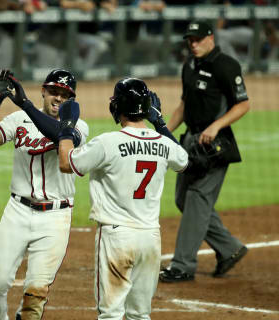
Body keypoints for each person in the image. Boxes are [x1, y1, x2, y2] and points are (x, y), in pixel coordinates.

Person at [54, 78, 188, 319]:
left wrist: (65, 127)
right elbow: (183, 159)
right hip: (150, 237)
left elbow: (66, 162)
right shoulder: (164, 144)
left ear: (118, 107)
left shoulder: (107, 142)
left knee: (111, 314)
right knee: (140, 314)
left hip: (117, 238)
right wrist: (160, 124)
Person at [0, 69, 89, 320]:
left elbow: (60, 134)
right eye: (54, 91)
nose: (58, 98)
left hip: (55, 217)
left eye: (65, 94)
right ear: (44, 90)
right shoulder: (19, 120)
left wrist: (27, 104)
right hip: (17, 212)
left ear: (71, 99)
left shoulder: (78, 126)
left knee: (35, 294)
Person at [159, 20, 250, 283]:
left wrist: (216, 126)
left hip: (215, 146)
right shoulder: (189, 65)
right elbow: (183, 105)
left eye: (198, 39)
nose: (194, 44)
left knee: (198, 198)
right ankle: (230, 249)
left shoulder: (226, 65)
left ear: (211, 38)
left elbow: (243, 105)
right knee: (183, 200)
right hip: (190, 142)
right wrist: (161, 133)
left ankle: (182, 265)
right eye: (190, 40)